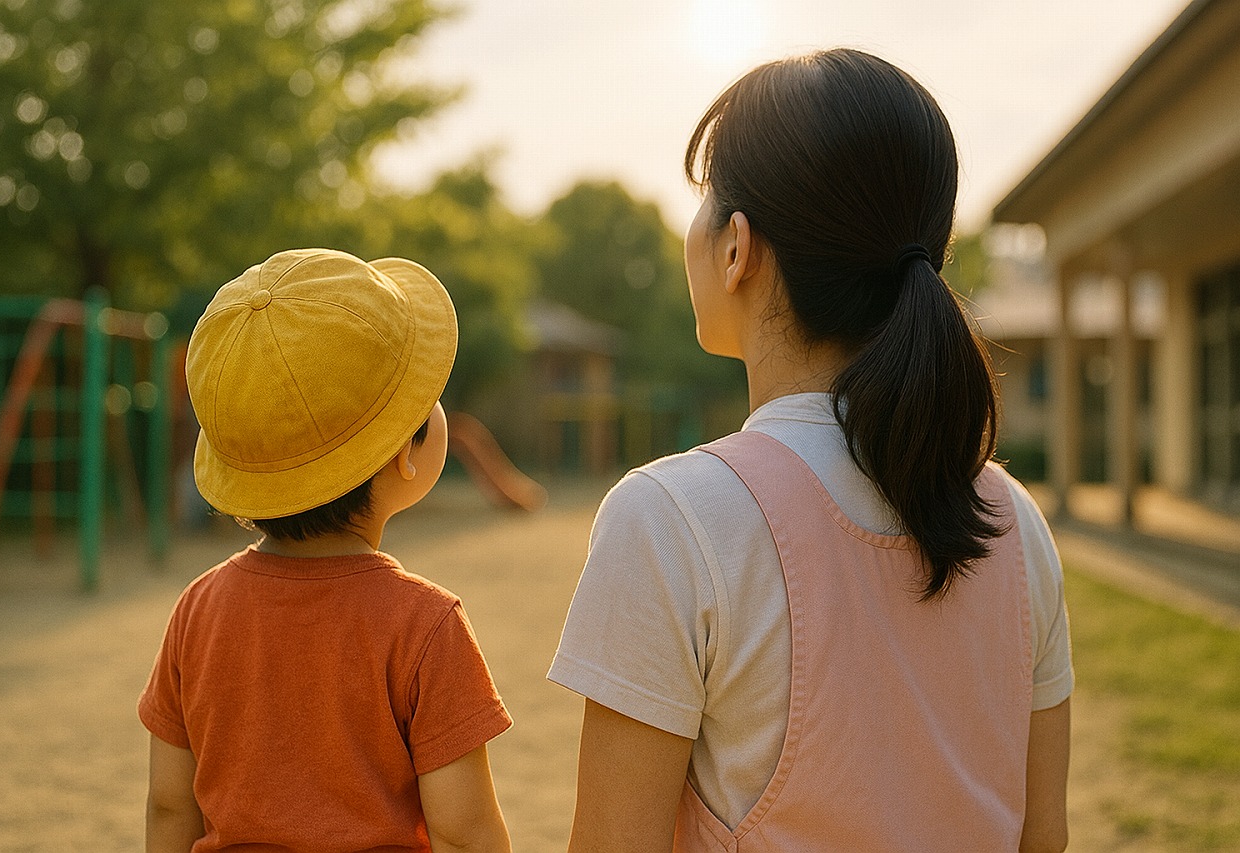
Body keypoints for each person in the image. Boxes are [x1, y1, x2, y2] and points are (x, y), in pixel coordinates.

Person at [549, 49, 1072, 853]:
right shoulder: (1013, 519)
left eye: (702, 201)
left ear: (737, 248)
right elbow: (1043, 837)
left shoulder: (672, 521)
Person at [139, 248, 513, 853]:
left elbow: (167, 806)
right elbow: (464, 835)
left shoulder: (196, 611)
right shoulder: (425, 626)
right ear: (405, 454)